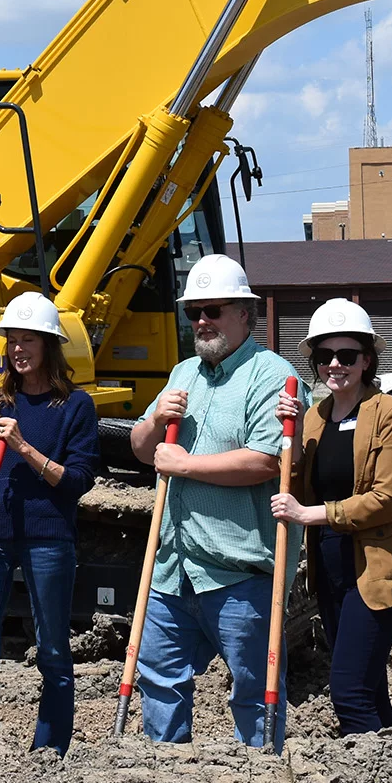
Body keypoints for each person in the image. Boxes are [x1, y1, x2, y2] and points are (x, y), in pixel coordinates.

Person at [127, 254, 294, 747]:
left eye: (214, 310)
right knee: (159, 681)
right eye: (193, 311)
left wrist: (186, 466)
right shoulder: (182, 374)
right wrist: (156, 421)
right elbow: (142, 450)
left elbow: (267, 461)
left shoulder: (270, 375)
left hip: (239, 571)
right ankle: (165, 782)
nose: (202, 321)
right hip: (172, 568)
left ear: (246, 312)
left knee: (252, 688)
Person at [270, 298, 392, 736]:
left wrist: (311, 514)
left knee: (348, 689)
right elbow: (298, 486)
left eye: (347, 356)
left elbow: (388, 499)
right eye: (324, 356)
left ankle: (374, 781)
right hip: (331, 566)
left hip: (376, 569)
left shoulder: (391, 414)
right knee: (370, 688)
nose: (334, 365)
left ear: (367, 360)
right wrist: (296, 435)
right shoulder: (316, 417)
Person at [0, 292, 99, 752]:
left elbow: (77, 480)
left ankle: (51, 750)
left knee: (54, 652)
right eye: (11, 341)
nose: (17, 349)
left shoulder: (75, 407)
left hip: (48, 541)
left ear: (49, 346)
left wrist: (23, 448)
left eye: (28, 340)